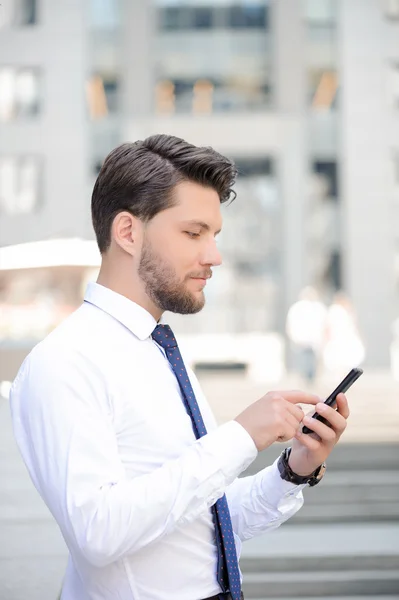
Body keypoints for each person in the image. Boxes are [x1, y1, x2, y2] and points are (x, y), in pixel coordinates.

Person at [10, 135, 350, 600]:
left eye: (215, 235)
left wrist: (294, 468)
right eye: (194, 233)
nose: (214, 256)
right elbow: (98, 532)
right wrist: (242, 435)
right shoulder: (65, 362)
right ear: (128, 232)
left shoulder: (158, 350)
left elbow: (203, 524)